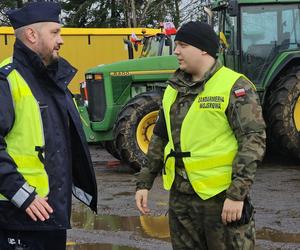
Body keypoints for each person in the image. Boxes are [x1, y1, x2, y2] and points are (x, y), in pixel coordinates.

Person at [135, 21, 266, 249]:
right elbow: (159, 138)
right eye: (176, 45)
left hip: (220, 199)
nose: (176, 51)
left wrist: (237, 195)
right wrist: (144, 183)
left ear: (203, 49)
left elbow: (253, 141)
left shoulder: (234, 86)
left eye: (183, 45)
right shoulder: (173, 89)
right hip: (181, 200)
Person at [0, 2, 97, 249]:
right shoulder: (7, 79)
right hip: (18, 216)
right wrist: (23, 195)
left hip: (50, 215)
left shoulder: (52, 79)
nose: (61, 40)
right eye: (55, 32)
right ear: (32, 35)